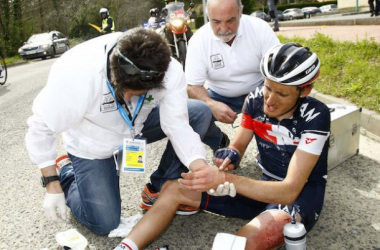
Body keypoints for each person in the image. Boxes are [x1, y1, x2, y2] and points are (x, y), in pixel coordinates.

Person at [114, 43, 330, 250]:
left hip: (299, 193)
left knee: (239, 244)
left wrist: (225, 178)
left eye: (282, 94)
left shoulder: (316, 115)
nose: (270, 100)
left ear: (304, 91)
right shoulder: (255, 99)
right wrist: (231, 154)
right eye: (268, 88)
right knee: (172, 189)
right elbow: (239, 144)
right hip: (261, 185)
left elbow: (288, 191)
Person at [25, 27, 217, 235]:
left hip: (137, 127)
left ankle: (161, 188)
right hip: (92, 140)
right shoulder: (76, 72)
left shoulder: (169, 70)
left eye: (137, 93)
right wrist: (51, 182)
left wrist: (200, 167)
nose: (127, 99)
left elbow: (177, 124)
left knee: (199, 112)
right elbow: (40, 126)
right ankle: (68, 174)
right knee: (105, 223)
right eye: (122, 91)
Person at [185, 0, 280, 151]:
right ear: (208, 16)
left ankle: (269, 148)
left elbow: (278, 70)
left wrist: (262, 97)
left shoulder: (259, 28)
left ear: (240, 12)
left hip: (260, 90)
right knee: (188, 114)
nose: (223, 29)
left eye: (230, 20)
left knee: (286, 101)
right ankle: (219, 142)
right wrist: (211, 104)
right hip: (220, 95)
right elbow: (192, 86)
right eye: (216, 22)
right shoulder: (198, 41)